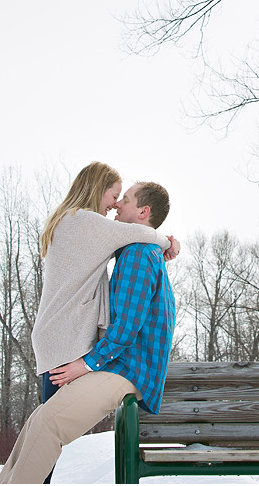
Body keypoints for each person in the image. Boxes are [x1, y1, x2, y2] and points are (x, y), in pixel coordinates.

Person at [0, 179, 177, 484]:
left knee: (48, 426)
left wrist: (87, 363)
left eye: (127, 199)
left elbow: (127, 328)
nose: (118, 204)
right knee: (38, 421)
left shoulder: (138, 254)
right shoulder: (137, 251)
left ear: (143, 211)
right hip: (120, 367)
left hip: (125, 370)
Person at [28, 162, 179, 416]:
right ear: (98, 190)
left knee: (51, 419)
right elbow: (140, 233)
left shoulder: (72, 221)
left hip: (58, 333)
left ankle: (37, 455)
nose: (115, 204)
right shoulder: (87, 222)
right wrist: (169, 244)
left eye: (121, 198)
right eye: (113, 196)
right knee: (52, 421)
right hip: (66, 337)